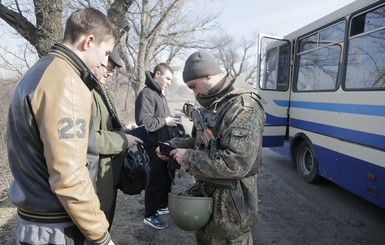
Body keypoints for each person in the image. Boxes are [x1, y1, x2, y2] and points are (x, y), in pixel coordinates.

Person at [7, 8, 118, 245]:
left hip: (35, 221)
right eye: (106, 52)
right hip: (55, 228)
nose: (105, 62)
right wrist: (100, 235)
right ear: (89, 41)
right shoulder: (66, 82)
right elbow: (69, 175)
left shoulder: (39, 72)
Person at [160, 51, 265, 244]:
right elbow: (198, 142)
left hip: (231, 216)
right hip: (207, 208)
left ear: (208, 76)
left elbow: (236, 163)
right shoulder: (211, 102)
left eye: (193, 86)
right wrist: (172, 146)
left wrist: (188, 158)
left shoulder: (243, 107)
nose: (194, 92)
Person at [92, 48, 142, 230]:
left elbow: (107, 128)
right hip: (93, 181)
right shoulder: (83, 93)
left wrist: (124, 130)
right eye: (108, 66)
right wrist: (122, 140)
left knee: (105, 226)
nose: (111, 72)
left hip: (108, 176)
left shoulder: (104, 92)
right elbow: (85, 139)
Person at [135, 63, 183, 229]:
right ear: (157, 74)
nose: (169, 82)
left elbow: (161, 119)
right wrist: (165, 121)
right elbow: (144, 123)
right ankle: (149, 215)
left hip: (163, 143)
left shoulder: (160, 95)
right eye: (167, 78)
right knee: (154, 181)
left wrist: (171, 121)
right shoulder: (146, 94)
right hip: (152, 146)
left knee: (165, 177)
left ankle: (162, 206)